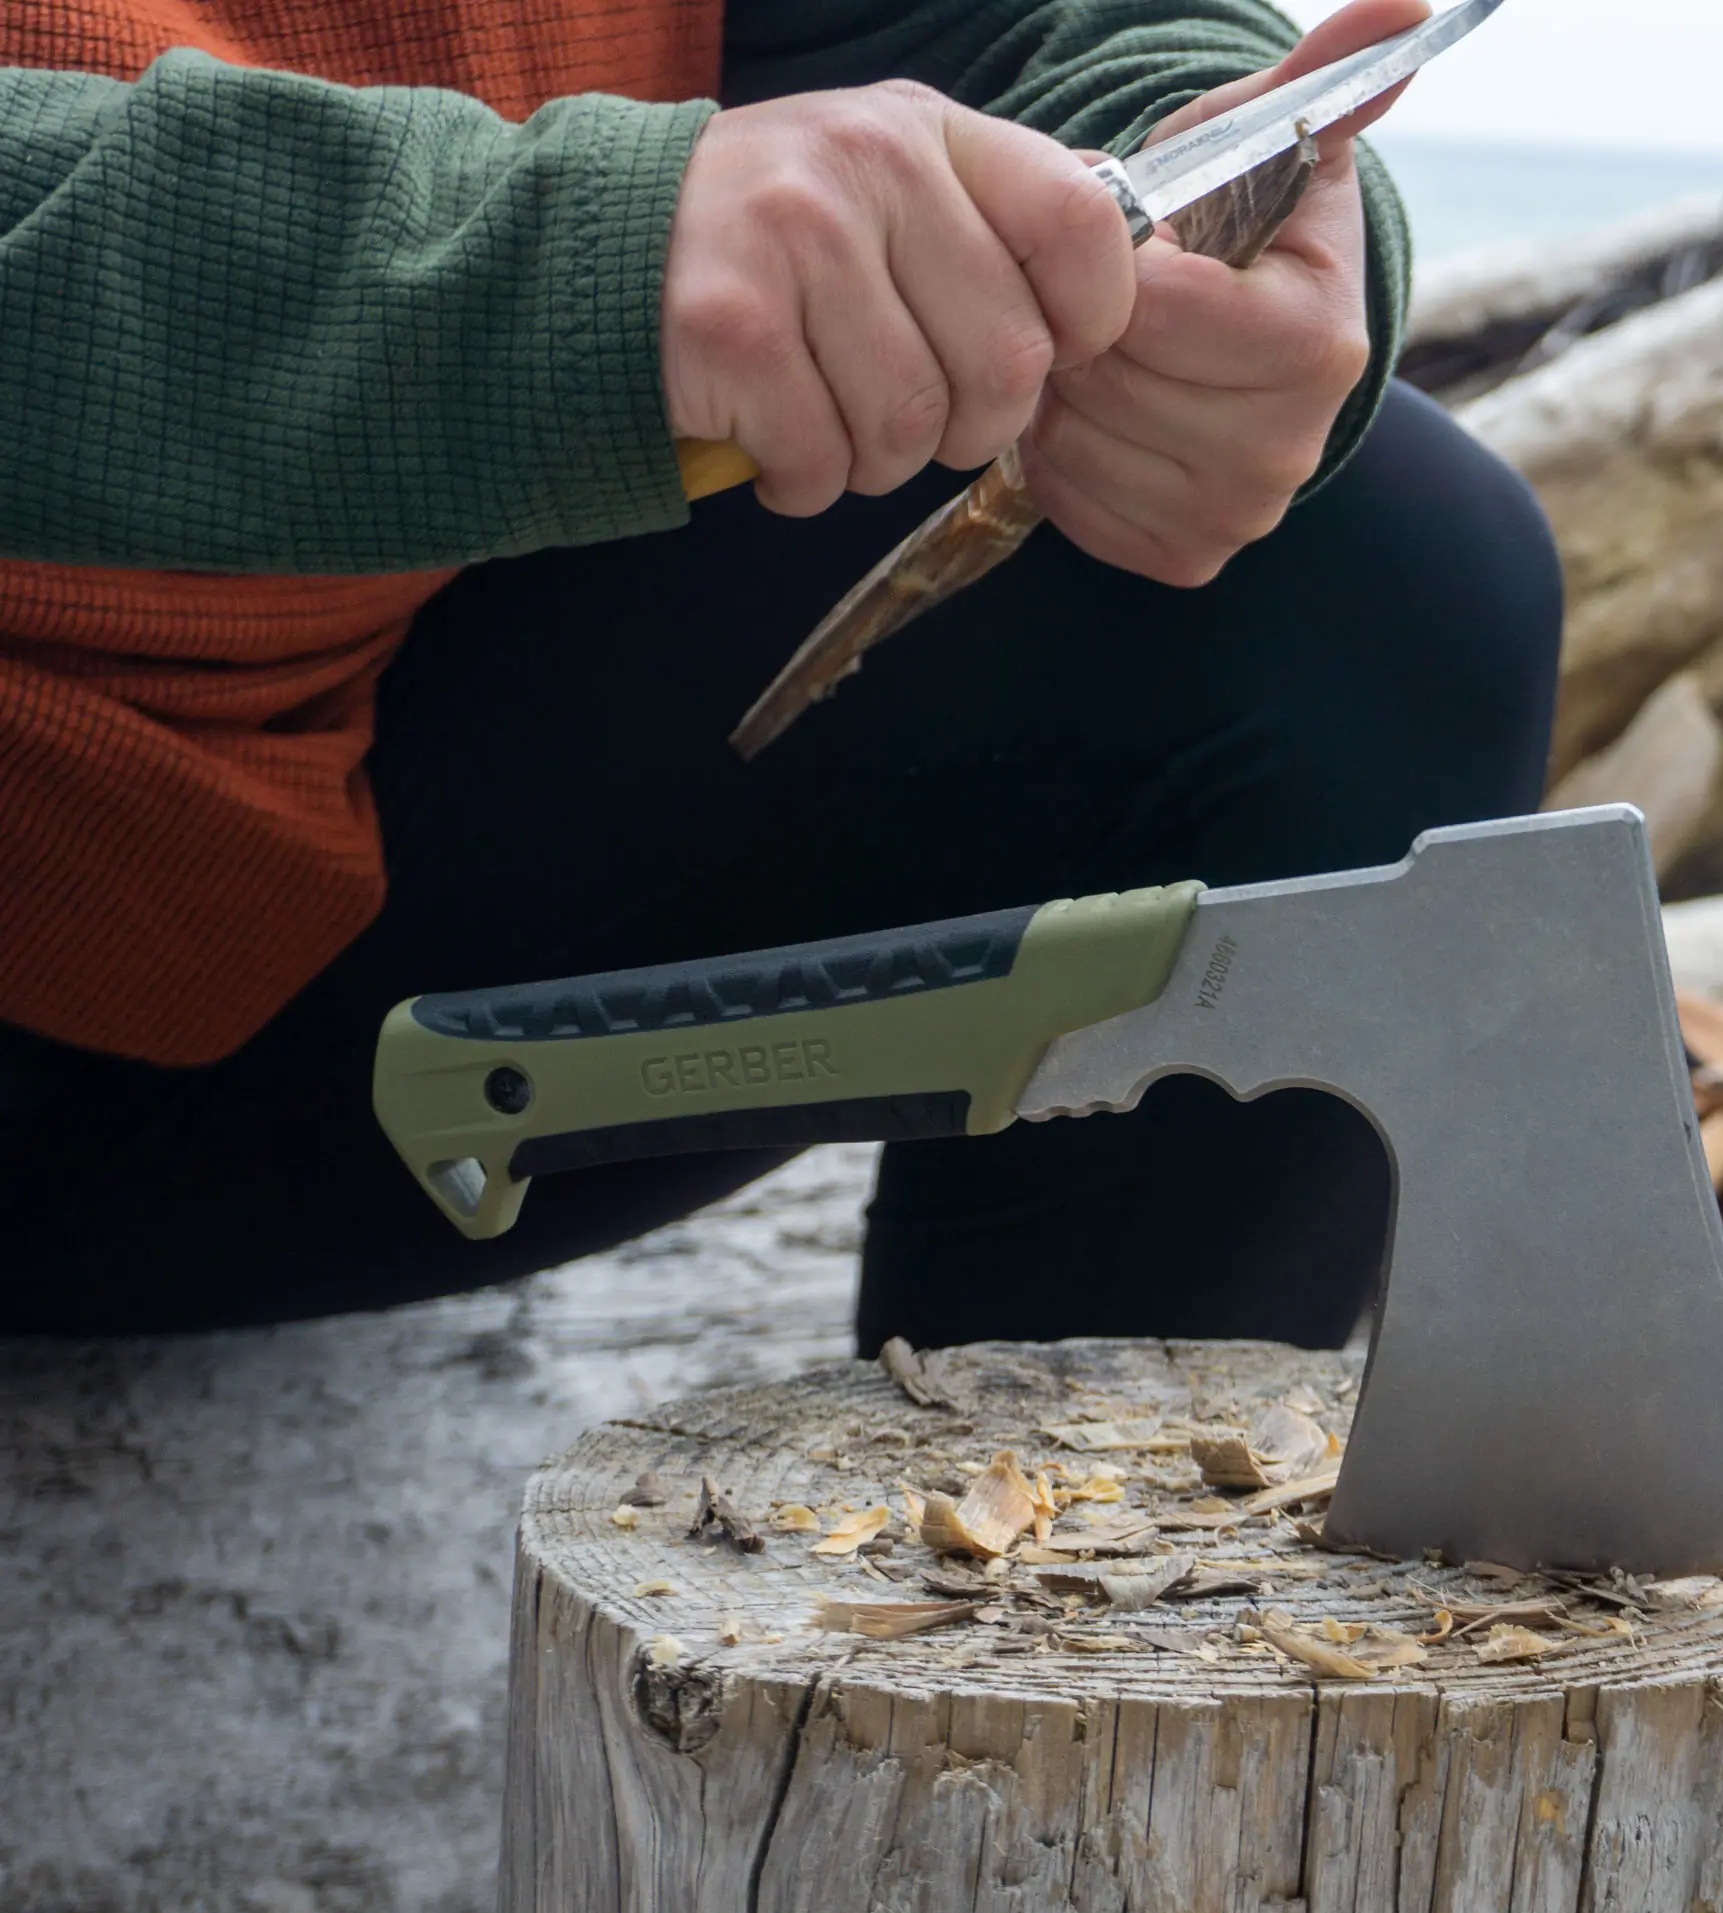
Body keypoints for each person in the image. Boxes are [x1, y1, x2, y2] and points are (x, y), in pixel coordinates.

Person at [0, 0, 1564, 1345]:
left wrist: (1180, 209)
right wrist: (542, 266)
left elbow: (1007, 27)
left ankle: (1073, 1661)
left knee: (1376, 591)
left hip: (294, 897)